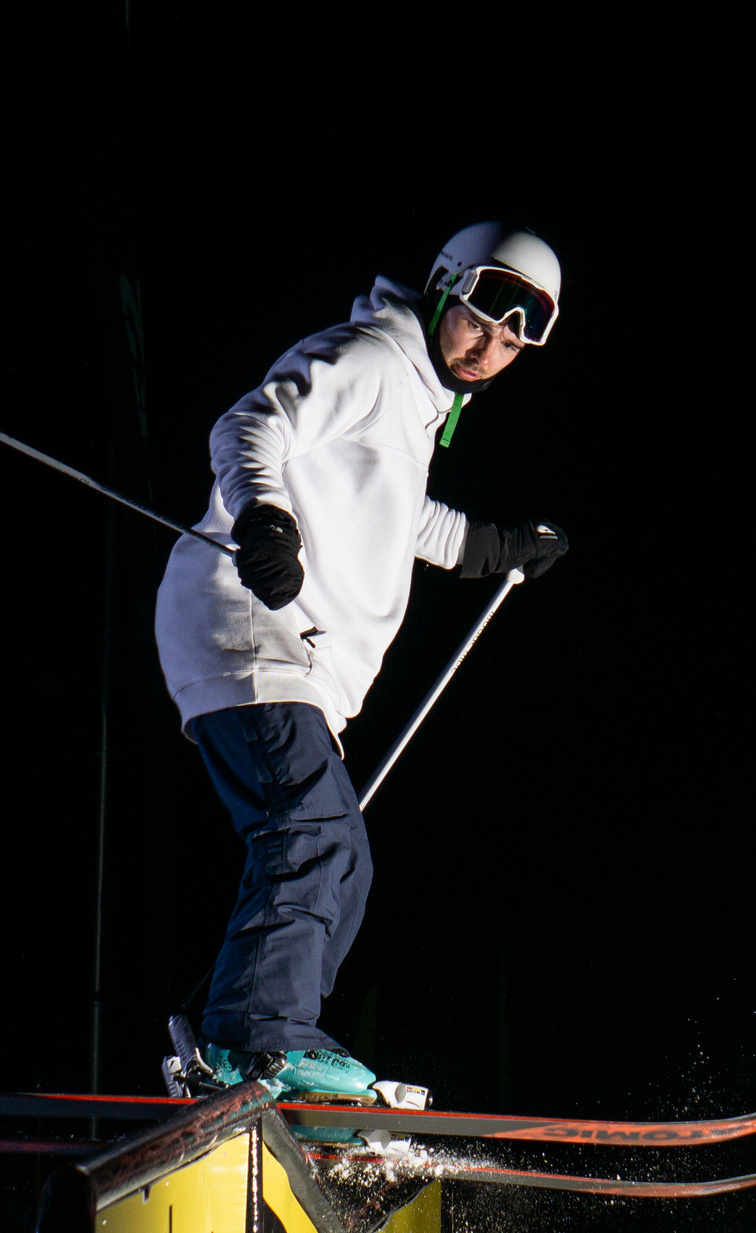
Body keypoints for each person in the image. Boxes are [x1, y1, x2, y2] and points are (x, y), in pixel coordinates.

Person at [155, 224, 571, 1103]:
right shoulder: (375, 356)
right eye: (481, 320)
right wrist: (264, 518)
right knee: (310, 832)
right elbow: (250, 422)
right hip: (251, 626)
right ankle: (256, 1040)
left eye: (512, 342)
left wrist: (495, 546)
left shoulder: (416, 398)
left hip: (290, 656)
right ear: (445, 285)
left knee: (342, 856)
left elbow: (397, 513)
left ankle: (269, 1041)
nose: (489, 350)